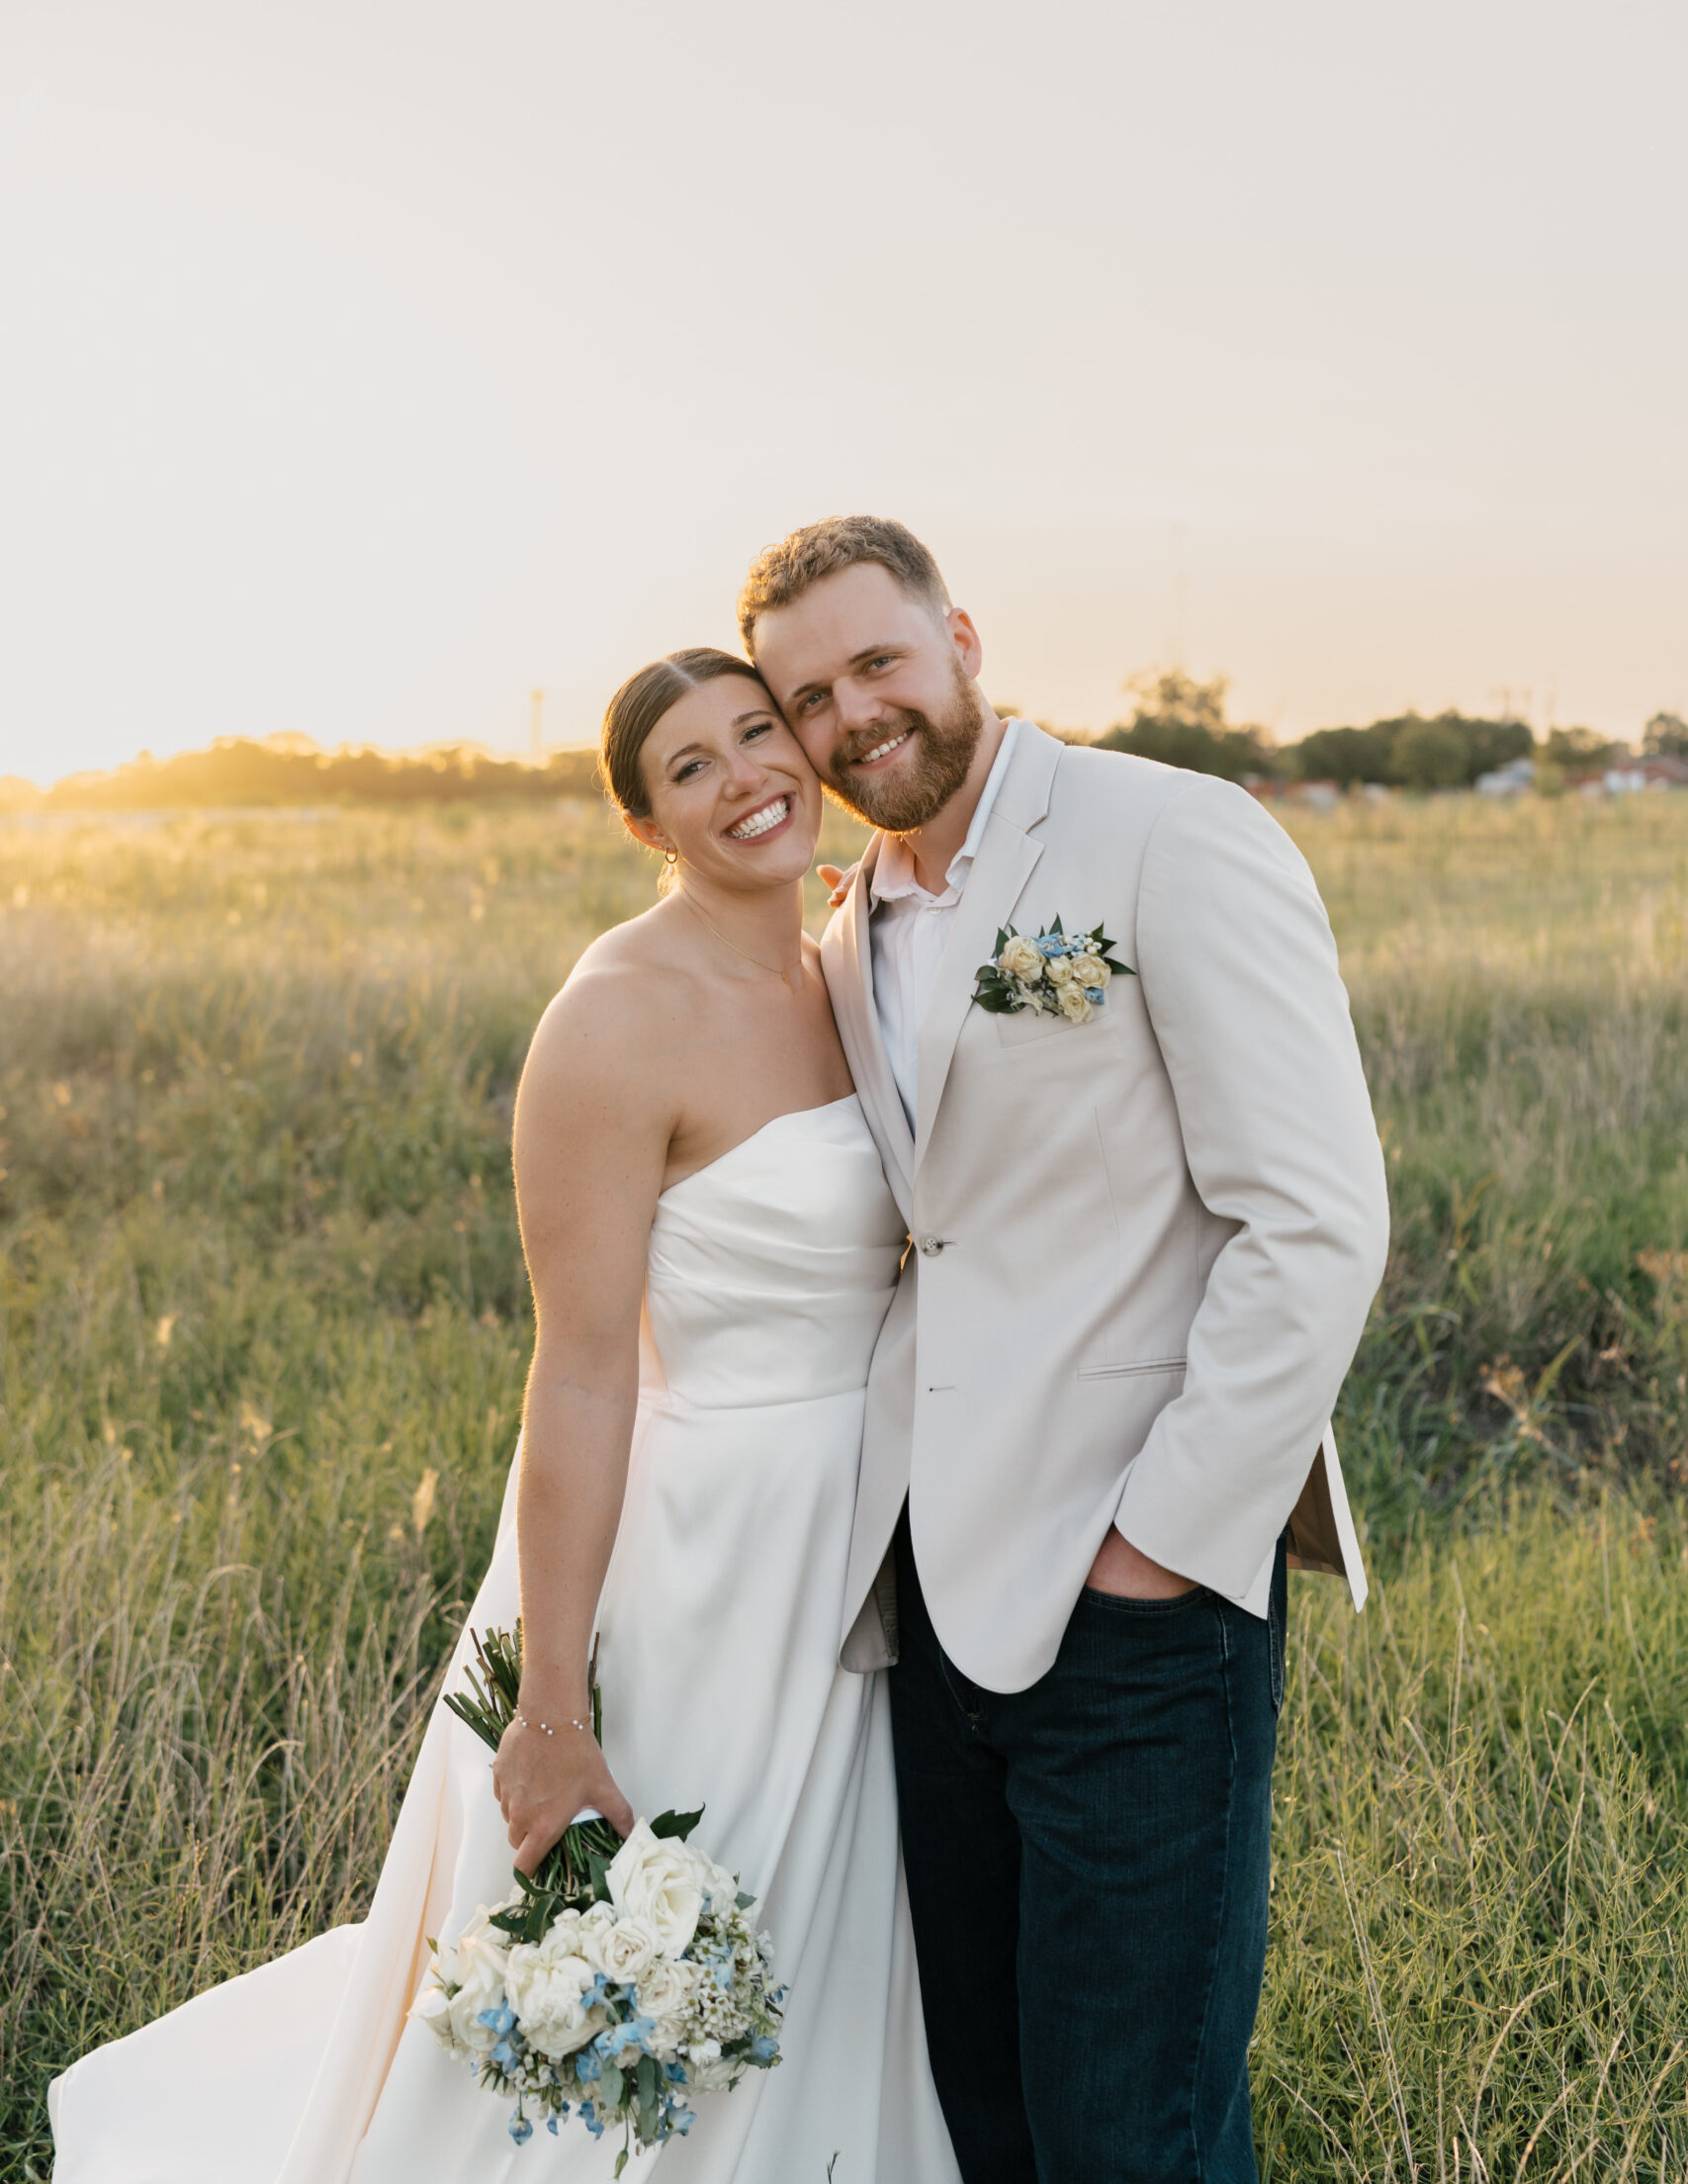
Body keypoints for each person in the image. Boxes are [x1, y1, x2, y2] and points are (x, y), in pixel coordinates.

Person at [49, 646, 960, 2184]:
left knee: (834, 1951)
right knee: (665, 1949)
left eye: (761, 733)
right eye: (692, 767)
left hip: (858, 1551)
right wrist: (552, 1704)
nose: (747, 776)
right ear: (648, 826)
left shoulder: (853, 956)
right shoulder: (615, 1017)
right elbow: (583, 1366)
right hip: (690, 1558)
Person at [744, 518, 1389, 2183]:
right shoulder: (845, 925)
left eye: (878, 662)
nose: (853, 716)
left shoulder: (1168, 834)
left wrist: (1159, 1549)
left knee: (1137, 2134)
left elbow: (1313, 1220)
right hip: (930, 1613)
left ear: (962, 637)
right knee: (997, 2121)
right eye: (808, 697)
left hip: (1139, 1602)